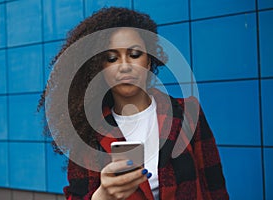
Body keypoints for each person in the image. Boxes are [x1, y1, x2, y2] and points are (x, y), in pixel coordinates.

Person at [39, 7, 229, 200]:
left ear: (148, 62)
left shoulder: (187, 112)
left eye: (135, 54)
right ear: (100, 69)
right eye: (112, 58)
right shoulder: (89, 132)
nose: (125, 66)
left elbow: (215, 187)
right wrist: (102, 195)